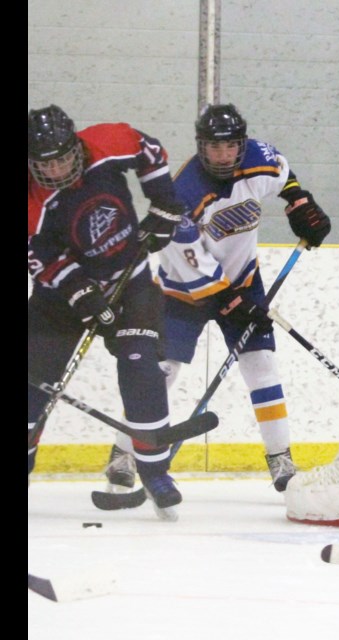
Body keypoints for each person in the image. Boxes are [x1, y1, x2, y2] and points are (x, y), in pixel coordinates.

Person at [100, 103, 332, 494]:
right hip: (182, 292)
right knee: (162, 371)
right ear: (201, 147)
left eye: (229, 147)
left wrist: (299, 201)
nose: (222, 155)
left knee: (261, 365)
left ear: (240, 145)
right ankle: (123, 452)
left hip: (244, 281)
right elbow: (190, 262)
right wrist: (228, 299)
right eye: (213, 148)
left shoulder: (260, 158)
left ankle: (280, 458)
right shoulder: (182, 193)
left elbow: (285, 177)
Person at [27, 104, 185, 520]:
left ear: (76, 146)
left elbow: (149, 151)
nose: (57, 169)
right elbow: (39, 255)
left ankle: (153, 471)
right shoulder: (31, 198)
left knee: (142, 368)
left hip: (128, 279)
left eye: (63, 158)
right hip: (58, 300)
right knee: (32, 385)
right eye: (46, 163)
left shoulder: (107, 142)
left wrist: (164, 204)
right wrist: (81, 293)